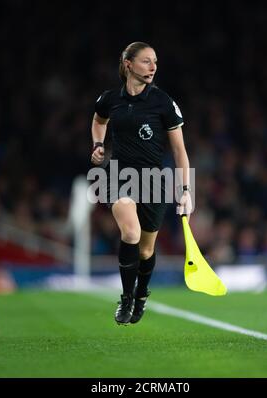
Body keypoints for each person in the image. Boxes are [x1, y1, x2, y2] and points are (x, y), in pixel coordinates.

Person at [91, 42, 192, 325]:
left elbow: (179, 151)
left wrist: (186, 191)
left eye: (155, 62)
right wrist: (98, 144)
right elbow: (99, 120)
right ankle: (125, 298)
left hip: (153, 181)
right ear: (128, 64)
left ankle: (141, 294)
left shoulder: (162, 102)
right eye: (146, 61)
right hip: (120, 176)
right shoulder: (110, 99)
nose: (153, 67)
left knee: (146, 250)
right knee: (130, 232)